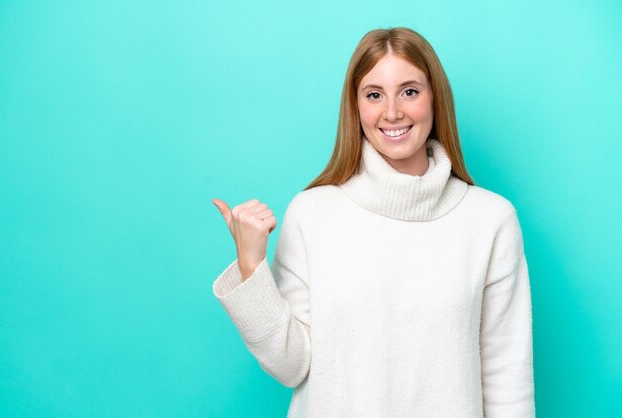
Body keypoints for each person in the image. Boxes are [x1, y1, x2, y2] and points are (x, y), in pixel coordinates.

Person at [211, 27, 535, 418]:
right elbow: (290, 365)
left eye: (410, 91)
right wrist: (250, 266)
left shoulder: (489, 221)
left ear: (436, 98)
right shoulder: (313, 214)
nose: (392, 111)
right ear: (356, 106)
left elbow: (507, 380)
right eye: (374, 94)